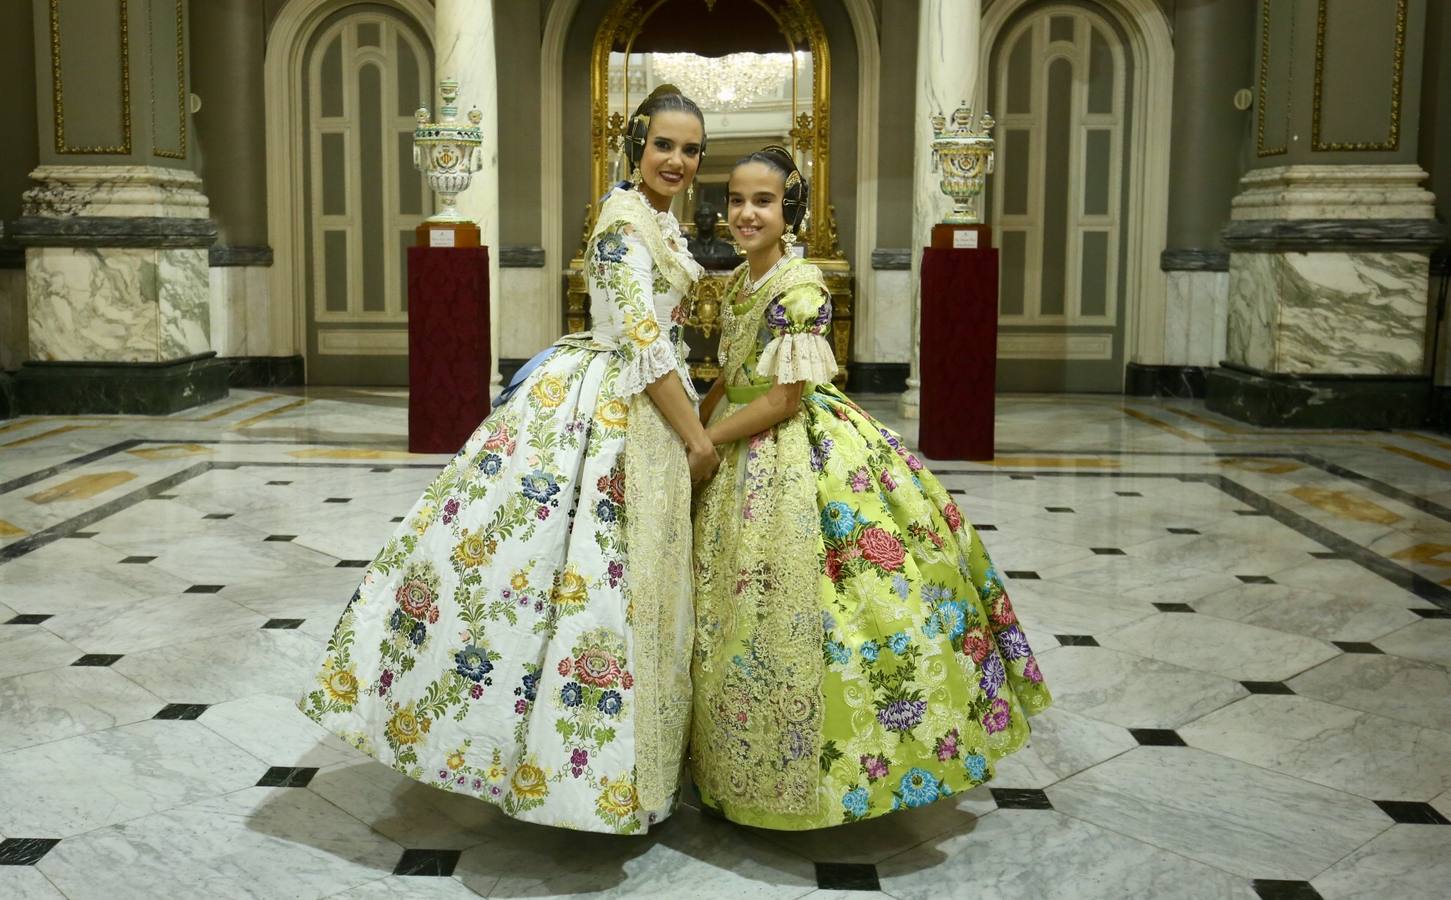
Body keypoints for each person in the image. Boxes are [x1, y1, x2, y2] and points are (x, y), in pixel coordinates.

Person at [299, 85, 716, 835]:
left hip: (646, 405)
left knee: (638, 588)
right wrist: (695, 436)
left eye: (690, 149)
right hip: (617, 403)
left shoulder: (657, 219)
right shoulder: (623, 223)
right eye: (664, 145)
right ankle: (576, 775)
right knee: (590, 586)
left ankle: (639, 773)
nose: (677, 160)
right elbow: (644, 344)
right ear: (635, 146)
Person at [689, 146, 1052, 829]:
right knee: (735, 613)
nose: (744, 213)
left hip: (788, 452)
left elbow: (784, 399)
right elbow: (731, 374)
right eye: (736, 200)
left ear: (788, 209)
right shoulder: (738, 282)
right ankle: (737, 756)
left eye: (762, 202)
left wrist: (709, 442)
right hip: (736, 441)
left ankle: (835, 766)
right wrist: (694, 427)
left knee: (828, 602)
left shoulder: (801, 287)